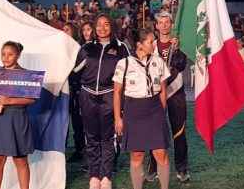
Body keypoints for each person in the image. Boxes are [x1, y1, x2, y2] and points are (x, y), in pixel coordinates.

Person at [72, 15, 130, 189]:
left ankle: (106, 175)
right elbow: (74, 71)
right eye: (98, 25)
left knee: (108, 137)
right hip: (87, 96)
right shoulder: (86, 48)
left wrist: (124, 104)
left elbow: (128, 74)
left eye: (106, 25)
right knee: (91, 137)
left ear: (111, 27)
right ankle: (94, 175)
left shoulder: (121, 48)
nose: (102, 28)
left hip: (109, 96)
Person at [113, 29, 171, 189]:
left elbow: (163, 90)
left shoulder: (158, 62)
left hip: (154, 109)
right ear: (139, 44)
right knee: (137, 155)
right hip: (133, 110)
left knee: (161, 153)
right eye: (150, 41)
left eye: (154, 41)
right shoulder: (124, 63)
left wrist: (161, 111)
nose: (154, 44)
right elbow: (117, 92)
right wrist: (118, 118)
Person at [0, 41, 35, 189]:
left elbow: (31, 99)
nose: (6, 57)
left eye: (10, 54)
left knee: (20, 160)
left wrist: (10, 100)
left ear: (18, 55)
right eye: (3, 54)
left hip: (17, 119)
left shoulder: (26, 75)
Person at [145, 12, 190, 183]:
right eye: (160, 22)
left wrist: (177, 49)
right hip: (155, 94)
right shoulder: (151, 45)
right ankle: (153, 167)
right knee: (154, 132)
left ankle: (182, 169)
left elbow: (181, 64)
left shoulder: (178, 44)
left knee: (179, 132)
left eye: (167, 22)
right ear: (156, 26)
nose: (164, 25)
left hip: (175, 93)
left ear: (171, 25)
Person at [62, 23, 86, 164]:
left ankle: (80, 150)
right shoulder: (59, 48)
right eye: (63, 29)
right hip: (63, 91)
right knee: (63, 122)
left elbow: (78, 69)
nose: (64, 32)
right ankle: (61, 149)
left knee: (78, 122)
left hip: (76, 90)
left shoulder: (79, 49)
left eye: (67, 30)